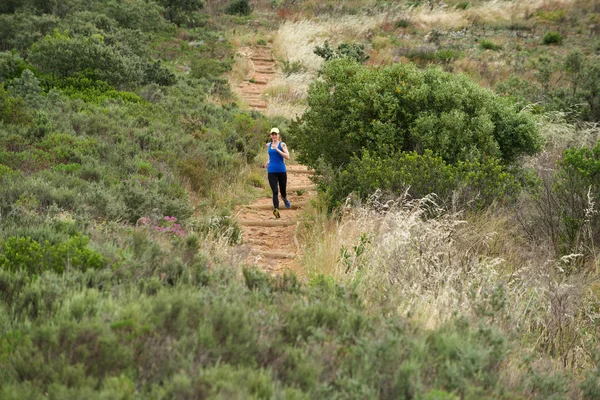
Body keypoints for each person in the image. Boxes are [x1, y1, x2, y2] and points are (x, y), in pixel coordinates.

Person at [265, 127, 290, 218]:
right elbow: (269, 155)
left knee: (283, 191)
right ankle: (276, 210)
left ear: (279, 135)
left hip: (281, 171)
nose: (274, 136)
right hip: (271, 171)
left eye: (276, 134)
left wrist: (277, 149)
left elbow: (287, 157)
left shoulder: (282, 145)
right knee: (275, 191)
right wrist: (268, 161)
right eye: (273, 134)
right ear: (271, 135)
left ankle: (284, 198)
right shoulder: (268, 145)